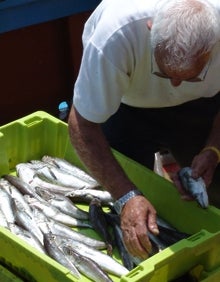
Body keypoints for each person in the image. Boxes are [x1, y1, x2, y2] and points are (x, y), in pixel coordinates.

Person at [68, 0, 220, 259]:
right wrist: (125, 195)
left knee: (213, 192)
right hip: (128, 106)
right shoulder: (114, 35)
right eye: (164, 73)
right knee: (122, 204)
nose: (174, 84)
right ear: (150, 29)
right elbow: (83, 124)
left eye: (191, 77)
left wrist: (214, 149)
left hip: (202, 106)